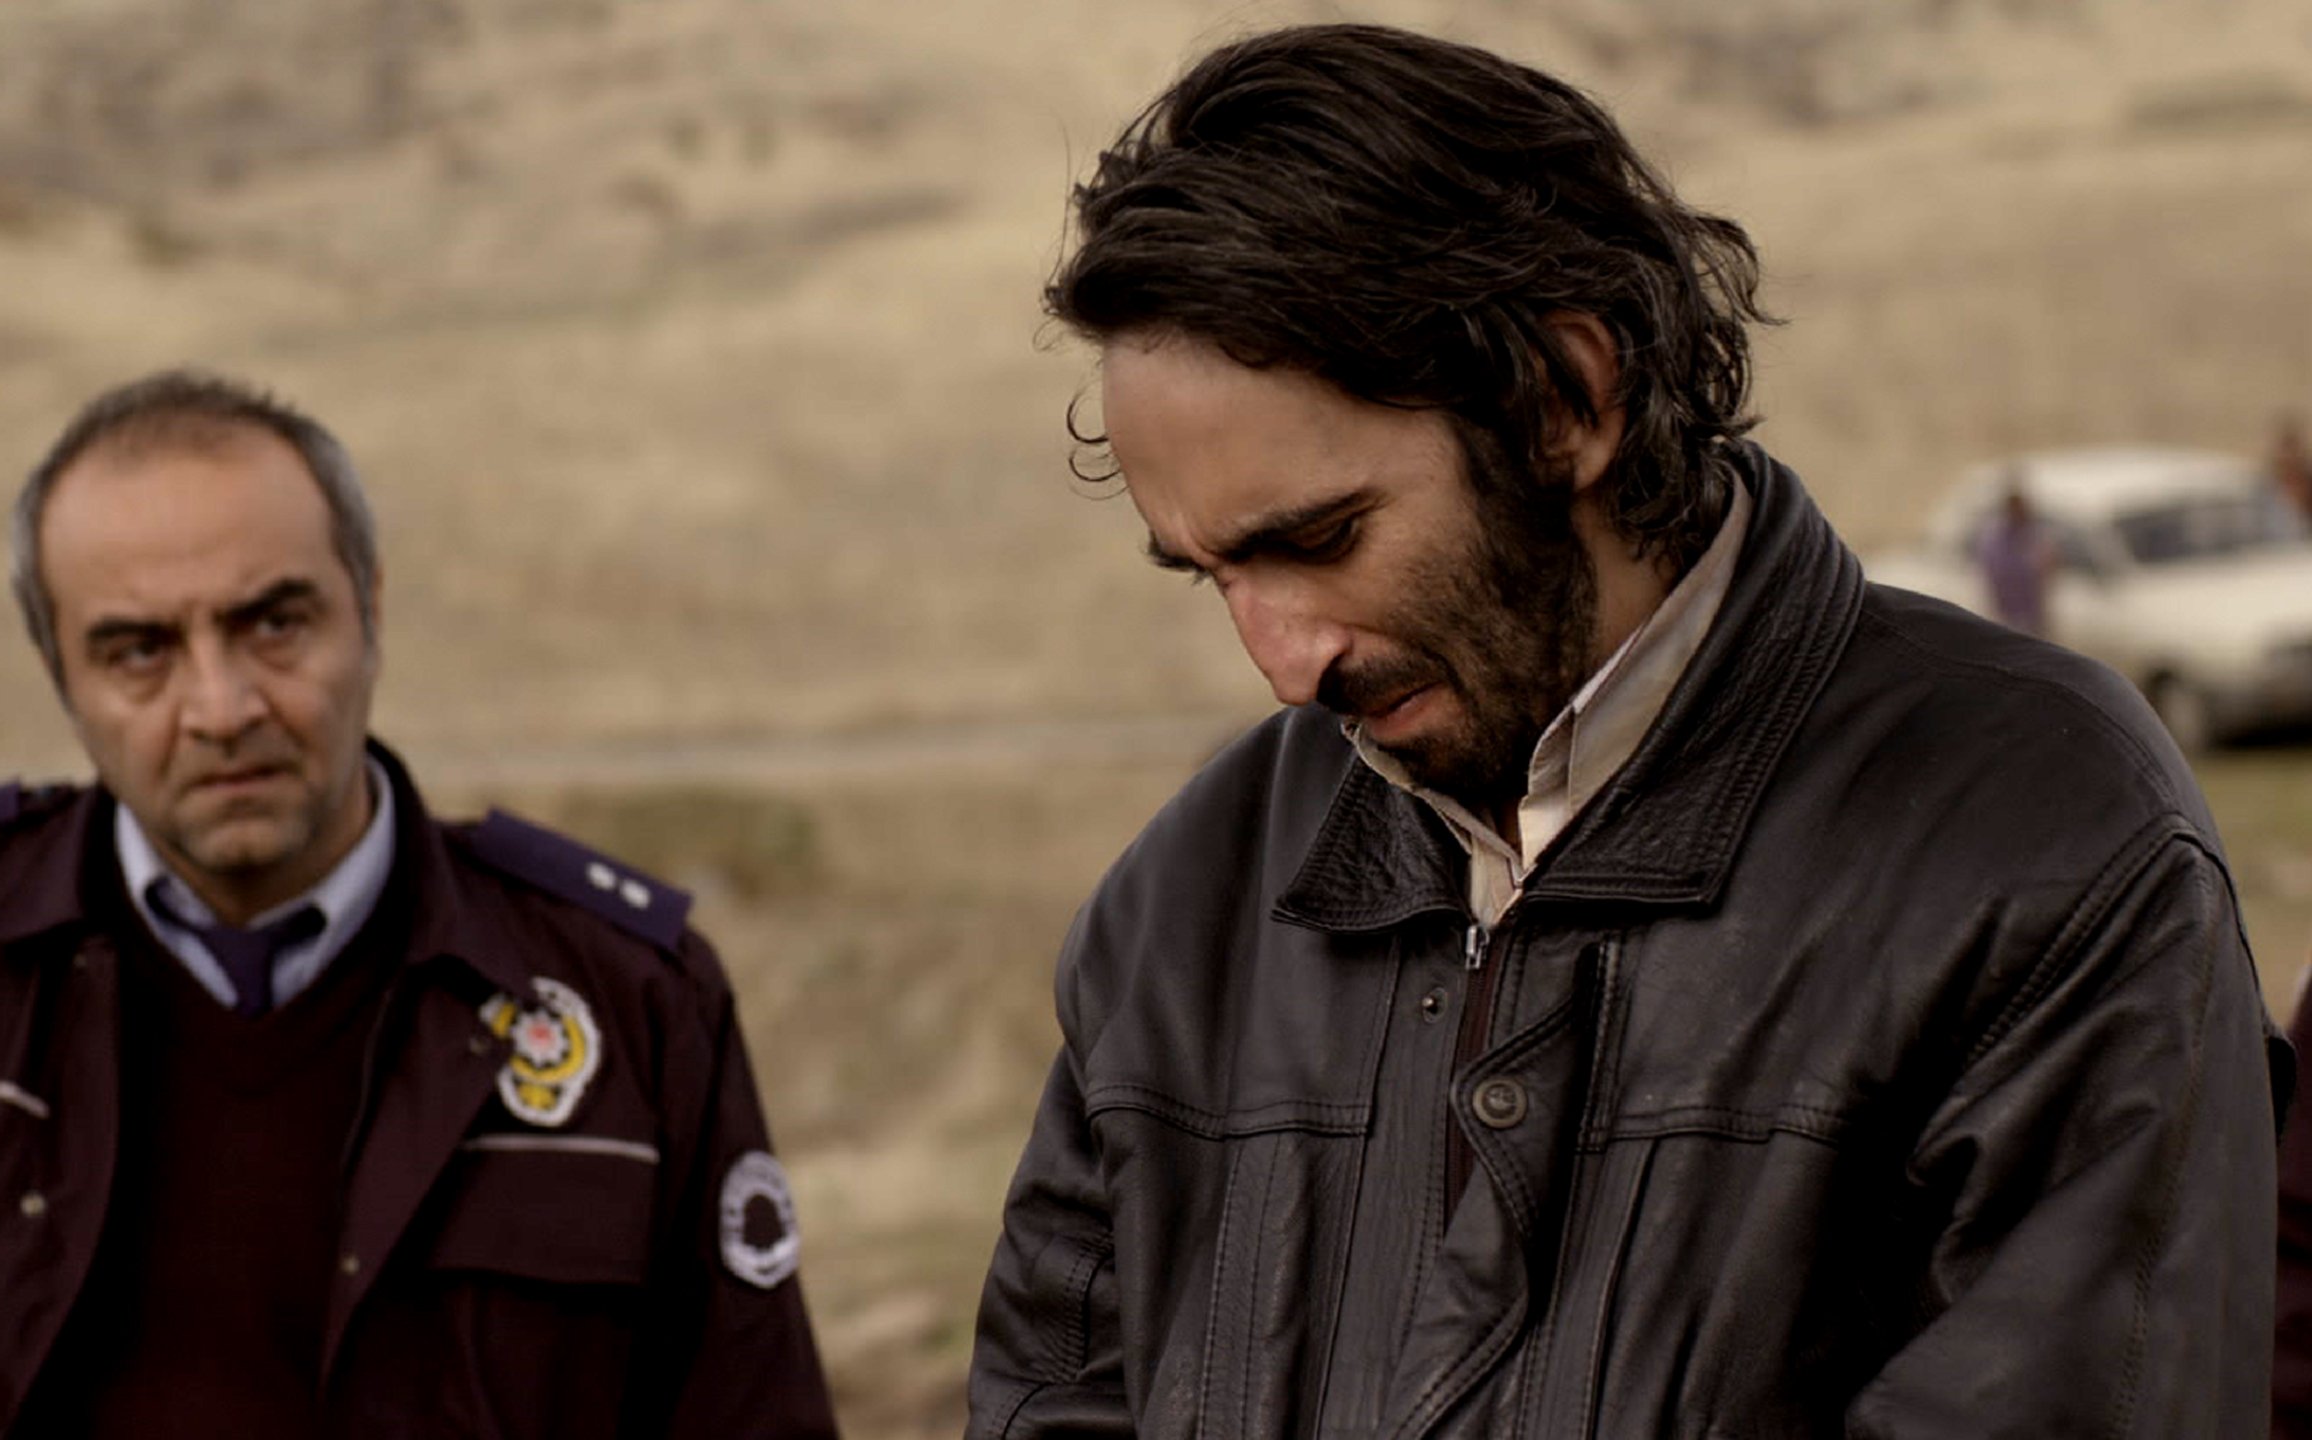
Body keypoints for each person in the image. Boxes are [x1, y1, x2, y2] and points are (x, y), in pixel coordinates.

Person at [967, 25, 2285, 1439]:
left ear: (1563, 400)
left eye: (1323, 539)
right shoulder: (1188, 905)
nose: (1285, 666)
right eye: (1214, 574)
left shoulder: (2045, 839)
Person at [0, 371, 836, 1438]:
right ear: (60, 676)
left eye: (273, 624)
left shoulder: (631, 1004)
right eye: (140, 651)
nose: (222, 708)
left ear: (369, 611)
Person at [1972, 472, 2056, 635]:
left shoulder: (2033, 532)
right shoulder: (1995, 537)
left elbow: (2047, 562)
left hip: (2032, 608)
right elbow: (1995, 570)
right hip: (2007, 608)